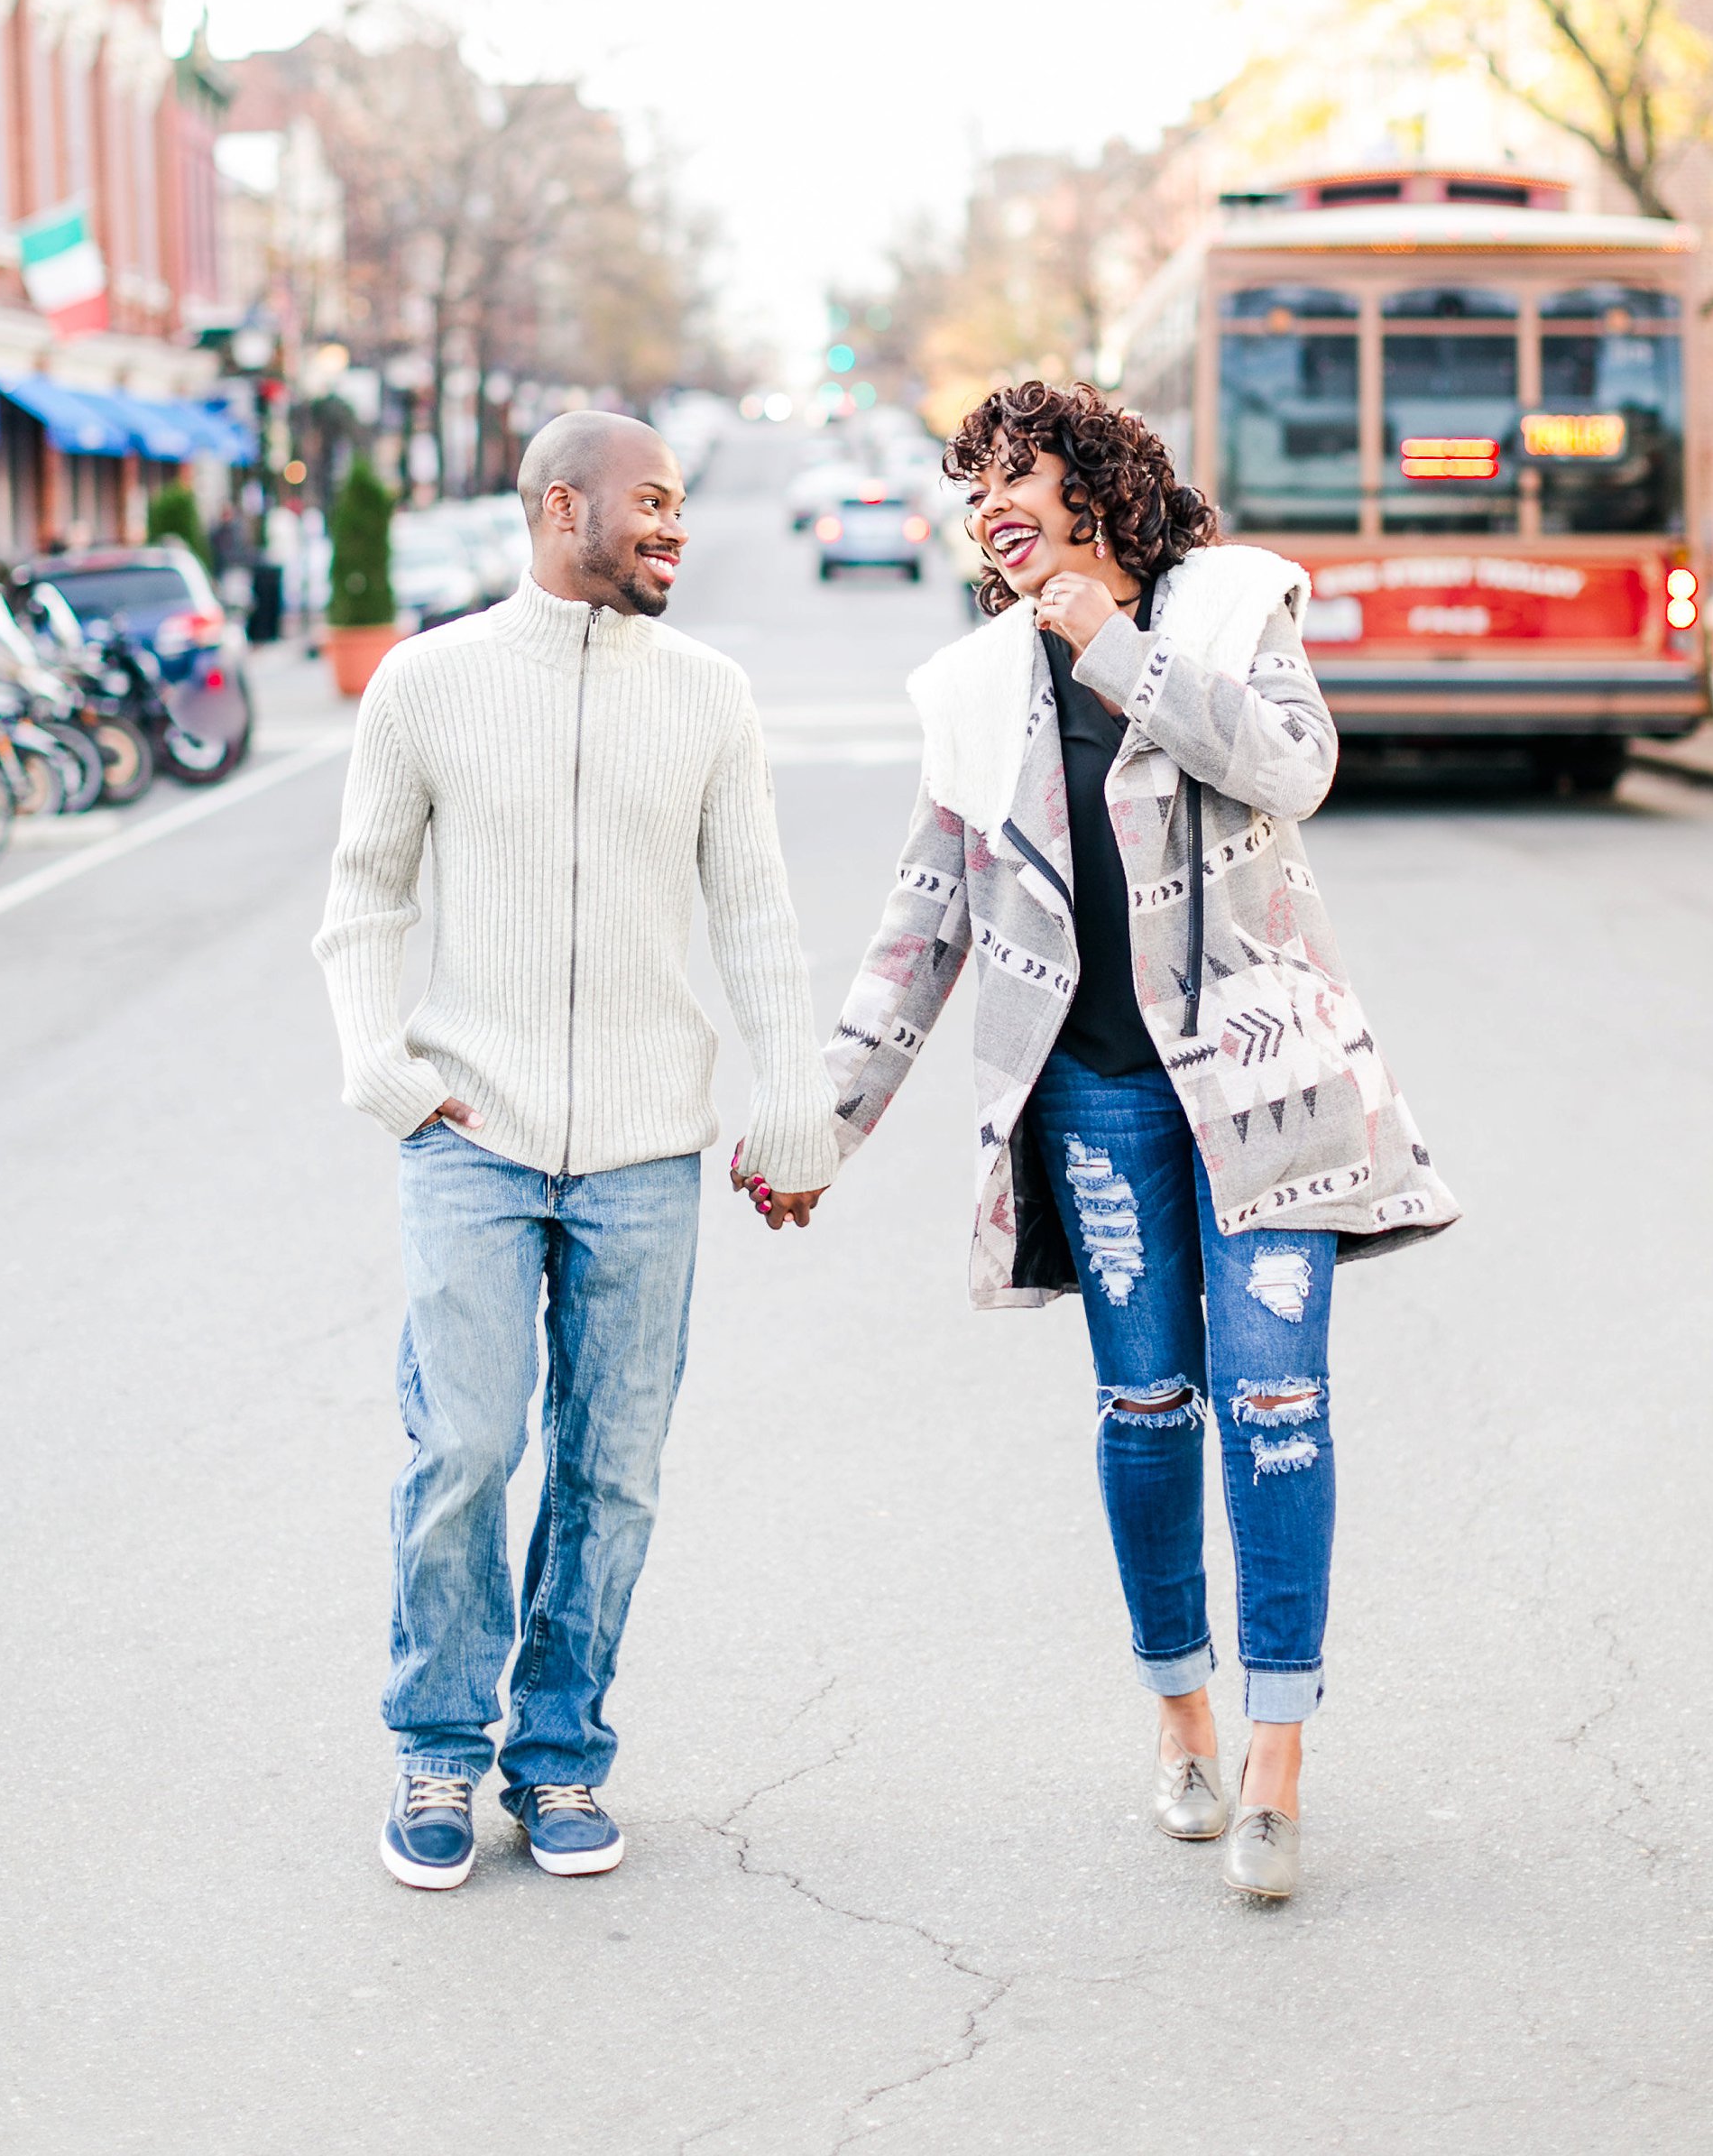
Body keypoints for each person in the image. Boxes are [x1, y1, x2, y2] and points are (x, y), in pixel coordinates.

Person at [808, 381, 1457, 1903]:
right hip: (1095, 1096)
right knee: (1150, 1403)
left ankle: (1275, 1758)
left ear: (1092, 478)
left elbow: (1293, 769)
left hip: (1264, 1082)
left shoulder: (1230, 612)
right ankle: (1179, 1709)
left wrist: (1110, 639)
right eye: (969, 491)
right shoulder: (973, 690)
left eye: (1010, 473)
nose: (987, 508)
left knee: (1275, 1392)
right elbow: (922, 926)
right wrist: (819, 1127)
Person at [315, 413, 835, 1892]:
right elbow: (363, 895)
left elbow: (753, 914)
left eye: (676, 506)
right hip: (468, 1135)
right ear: (562, 506)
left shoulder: (708, 695)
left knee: (611, 1470)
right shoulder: (427, 681)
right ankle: (434, 1745)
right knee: (468, 1444)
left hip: (643, 1148)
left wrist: (791, 1101)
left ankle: (557, 1758)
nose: (673, 527)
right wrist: (381, 1061)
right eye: (651, 504)